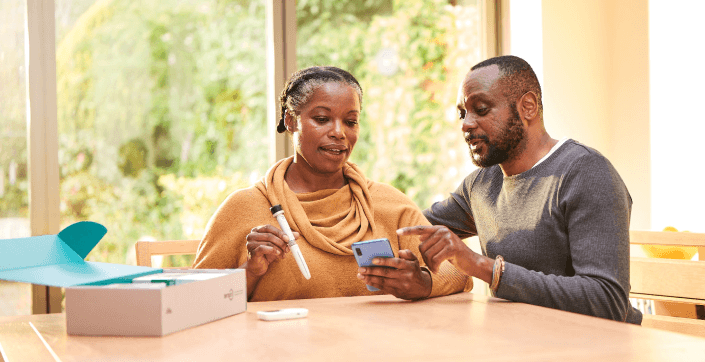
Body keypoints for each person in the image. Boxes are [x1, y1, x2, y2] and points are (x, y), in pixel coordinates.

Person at [397, 55, 642, 324]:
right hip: (521, 343)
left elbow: (607, 301)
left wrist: (483, 267)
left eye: (480, 108)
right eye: (462, 114)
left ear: (527, 107)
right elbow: (410, 226)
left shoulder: (586, 173)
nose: (466, 124)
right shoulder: (481, 184)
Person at [194, 66, 470, 301]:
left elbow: (459, 272)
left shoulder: (389, 204)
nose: (339, 133)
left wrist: (421, 283)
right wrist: (250, 271)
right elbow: (194, 300)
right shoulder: (245, 208)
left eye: (350, 121)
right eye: (322, 119)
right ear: (291, 121)